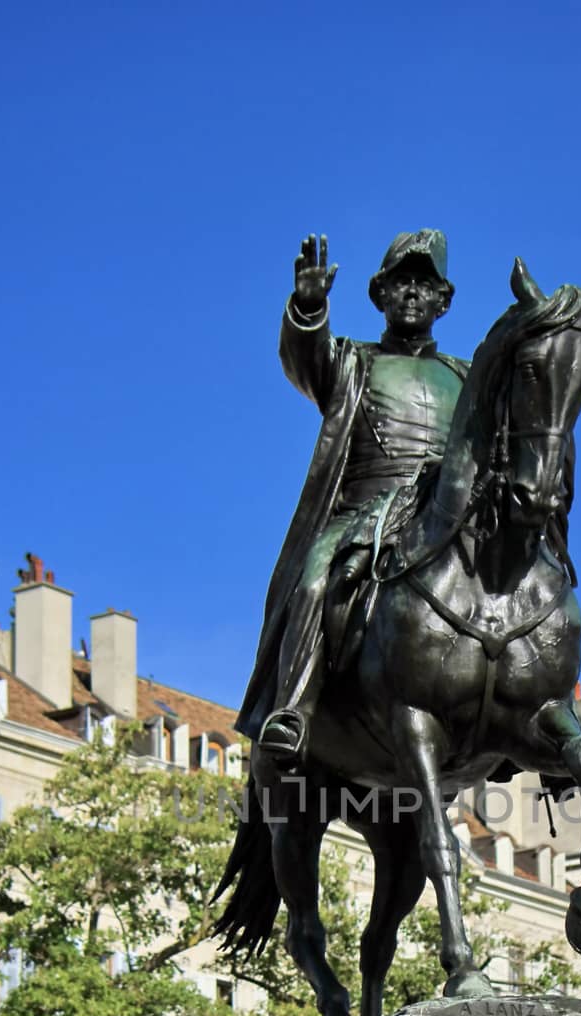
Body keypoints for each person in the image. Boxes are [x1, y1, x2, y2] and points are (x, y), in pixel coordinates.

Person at [237, 229, 468, 763]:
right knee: (316, 580)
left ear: (444, 300)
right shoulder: (351, 362)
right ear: (379, 295)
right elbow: (305, 359)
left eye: (424, 284)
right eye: (400, 282)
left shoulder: (466, 376)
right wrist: (309, 307)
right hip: (365, 514)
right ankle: (293, 712)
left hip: (446, 522)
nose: (412, 293)